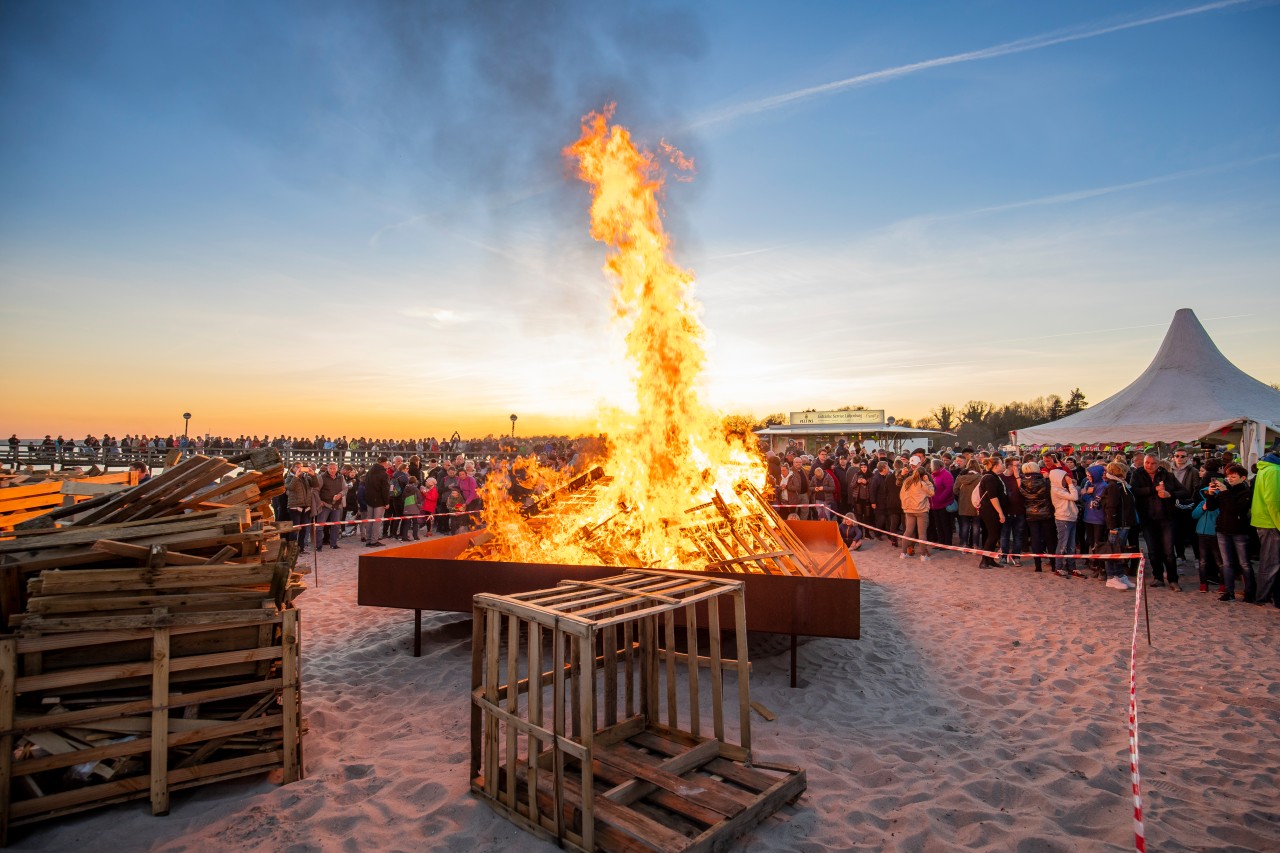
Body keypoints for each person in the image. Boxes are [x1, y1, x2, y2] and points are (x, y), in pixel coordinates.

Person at [1131, 451, 1188, 591]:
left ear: (1158, 463)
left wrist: (1170, 494)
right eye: (1147, 463)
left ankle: (1173, 579)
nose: (1150, 466)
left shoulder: (1167, 475)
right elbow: (1134, 490)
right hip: (1147, 519)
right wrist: (1153, 489)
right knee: (1153, 551)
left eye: (1153, 463)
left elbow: (1185, 492)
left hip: (1167, 518)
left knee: (1168, 551)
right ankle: (1158, 577)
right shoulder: (1137, 474)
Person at [1206, 463, 1252, 602]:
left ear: (1243, 478)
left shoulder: (1246, 492)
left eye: (1233, 476)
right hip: (1223, 530)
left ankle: (1249, 592)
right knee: (1226, 563)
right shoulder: (1225, 490)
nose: (1230, 479)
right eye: (1228, 476)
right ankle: (1229, 591)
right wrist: (1211, 494)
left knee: (1244, 563)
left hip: (1239, 531)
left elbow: (1236, 509)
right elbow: (1211, 507)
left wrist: (1224, 492)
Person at [1249, 448, 1280, 608]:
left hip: (1265, 521)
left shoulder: (1267, 468)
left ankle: (1268, 596)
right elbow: (1273, 502)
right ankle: (1262, 597)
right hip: (1270, 523)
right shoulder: (1274, 470)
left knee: (1271, 561)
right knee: (1270, 562)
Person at [1101, 462, 1138, 590]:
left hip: (1125, 523)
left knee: (1120, 550)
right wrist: (1113, 526)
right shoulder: (1113, 486)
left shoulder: (1121, 485)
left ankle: (1120, 574)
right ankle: (1111, 576)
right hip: (1118, 525)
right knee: (1113, 551)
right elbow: (1111, 508)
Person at [1048, 458, 1081, 578]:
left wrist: (1070, 483)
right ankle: (1059, 567)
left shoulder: (1062, 488)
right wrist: (1071, 484)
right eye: (1063, 478)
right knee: (1062, 544)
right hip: (1063, 518)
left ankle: (1072, 566)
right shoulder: (1056, 489)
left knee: (1071, 545)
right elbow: (1074, 497)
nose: (1066, 480)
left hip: (1071, 517)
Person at [1019, 461, 1053, 572]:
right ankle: (1053, 564)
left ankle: (1037, 566)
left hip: (1030, 513)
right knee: (1049, 538)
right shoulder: (1044, 481)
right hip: (1046, 512)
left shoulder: (1022, 483)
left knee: (1035, 539)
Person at [899, 457, 935, 561]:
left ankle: (903, 553)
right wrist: (927, 481)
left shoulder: (907, 482)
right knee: (922, 533)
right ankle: (923, 555)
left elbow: (901, 495)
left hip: (909, 510)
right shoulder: (922, 483)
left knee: (908, 531)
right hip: (921, 510)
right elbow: (932, 492)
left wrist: (905, 505)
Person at [1169, 447, 1201, 563]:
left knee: (1192, 532)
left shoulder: (1193, 471)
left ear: (1187, 458)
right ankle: (1180, 555)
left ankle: (1198, 557)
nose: (1180, 458)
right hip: (1173, 505)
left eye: (1182, 456)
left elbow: (1196, 488)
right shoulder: (1169, 471)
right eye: (1177, 456)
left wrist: (1192, 501)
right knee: (1177, 532)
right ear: (1173, 457)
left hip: (1189, 506)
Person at [976, 457, 1007, 568]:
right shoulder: (990, 478)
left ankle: (990, 559)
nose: (1003, 465)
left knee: (994, 535)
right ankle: (984, 561)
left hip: (991, 510)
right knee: (993, 535)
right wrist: (1000, 512)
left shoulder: (993, 477)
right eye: (1001, 463)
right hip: (990, 511)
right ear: (996, 465)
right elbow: (993, 497)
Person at [314, 462, 347, 550]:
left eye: (334, 468)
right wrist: (319, 501)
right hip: (325, 504)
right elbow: (315, 490)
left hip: (336, 505)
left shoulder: (341, 477)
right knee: (320, 526)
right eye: (330, 469)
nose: (332, 470)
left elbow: (345, 489)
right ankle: (318, 545)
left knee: (336, 526)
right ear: (327, 469)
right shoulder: (321, 477)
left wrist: (340, 494)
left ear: (337, 469)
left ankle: (333, 544)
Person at [285, 463, 318, 552]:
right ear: (293, 468)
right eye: (297, 467)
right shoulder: (289, 478)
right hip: (295, 507)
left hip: (306, 506)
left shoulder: (305, 477)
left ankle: (301, 548)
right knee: (295, 529)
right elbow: (290, 487)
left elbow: (316, 485)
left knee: (304, 529)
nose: (299, 469)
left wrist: (313, 475)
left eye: (301, 467)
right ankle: (292, 549)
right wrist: (296, 476)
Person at [953, 462, 982, 550]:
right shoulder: (980, 478)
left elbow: (955, 490)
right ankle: (975, 545)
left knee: (964, 525)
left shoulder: (960, 478)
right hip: (976, 504)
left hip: (963, 504)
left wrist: (962, 495)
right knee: (976, 526)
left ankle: (964, 545)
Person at [363, 456, 390, 547]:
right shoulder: (383, 474)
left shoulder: (369, 472)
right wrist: (386, 502)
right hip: (379, 501)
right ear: (384, 462)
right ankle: (374, 541)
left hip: (369, 499)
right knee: (377, 521)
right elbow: (385, 490)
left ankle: (368, 540)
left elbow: (365, 486)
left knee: (370, 521)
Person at [928, 459, 955, 547]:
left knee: (945, 524)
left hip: (943, 504)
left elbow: (949, 488)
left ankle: (947, 542)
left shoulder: (946, 474)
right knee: (938, 524)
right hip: (934, 504)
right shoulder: (933, 476)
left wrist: (940, 498)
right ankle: (941, 541)